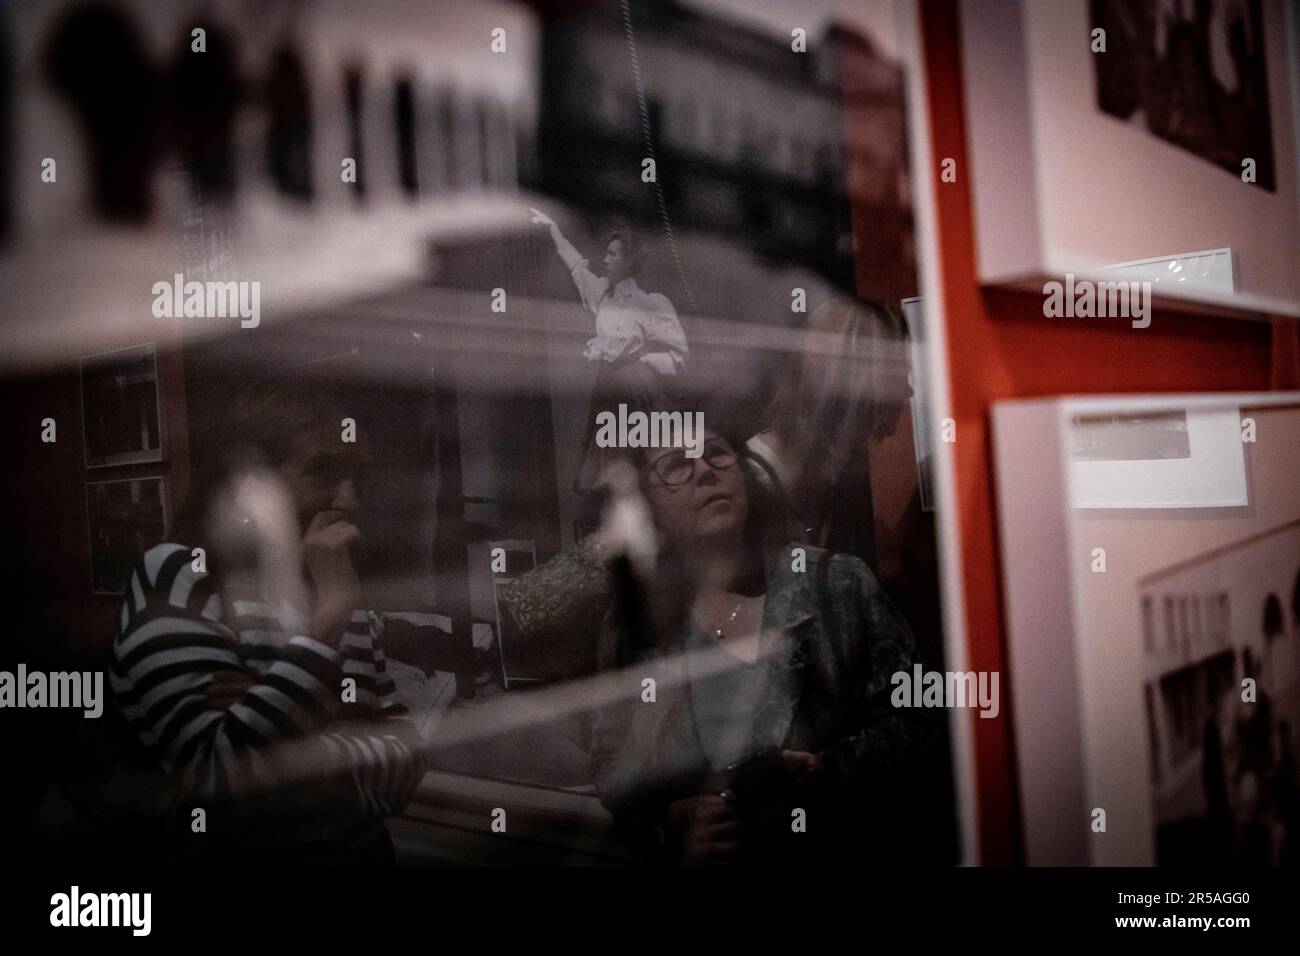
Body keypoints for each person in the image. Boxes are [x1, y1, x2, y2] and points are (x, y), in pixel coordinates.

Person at [53, 380, 425, 865]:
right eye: (323, 471)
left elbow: (405, 763)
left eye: (358, 476)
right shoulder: (183, 576)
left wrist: (275, 721)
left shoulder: (331, 580)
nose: (350, 501)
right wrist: (321, 639)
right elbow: (219, 786)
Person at [590, 418, 947, 865]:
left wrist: (827, 770)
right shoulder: (638, 630)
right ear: (651, 508)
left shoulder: (835, 584)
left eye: (716, 452)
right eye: (678, 465)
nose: (705, 470)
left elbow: (926, 724)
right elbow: (613, 768)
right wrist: (672, 819)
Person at [531, 208, 688, 494]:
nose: (605, 260)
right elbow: (577, 266)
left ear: (628, 261)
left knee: (645, 466)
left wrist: (638, 360)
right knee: (607, 473)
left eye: (613, 255)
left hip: (639, 397)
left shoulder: (652, 303)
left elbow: (678, 359)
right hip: (606, 398)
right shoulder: (602, 295)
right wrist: (555, 230)